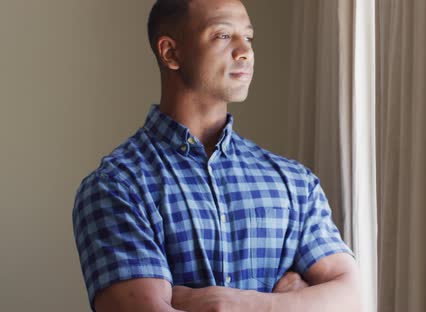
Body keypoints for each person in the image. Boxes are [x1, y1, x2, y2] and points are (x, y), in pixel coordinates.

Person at [72, 0, 361, 311]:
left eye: (248, 38)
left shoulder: (295, 184)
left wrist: (236, 304)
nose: (245, 52)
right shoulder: (117, 187)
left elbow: (351, 298)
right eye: (223, 36)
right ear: (171, 52)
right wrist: (291, 302)